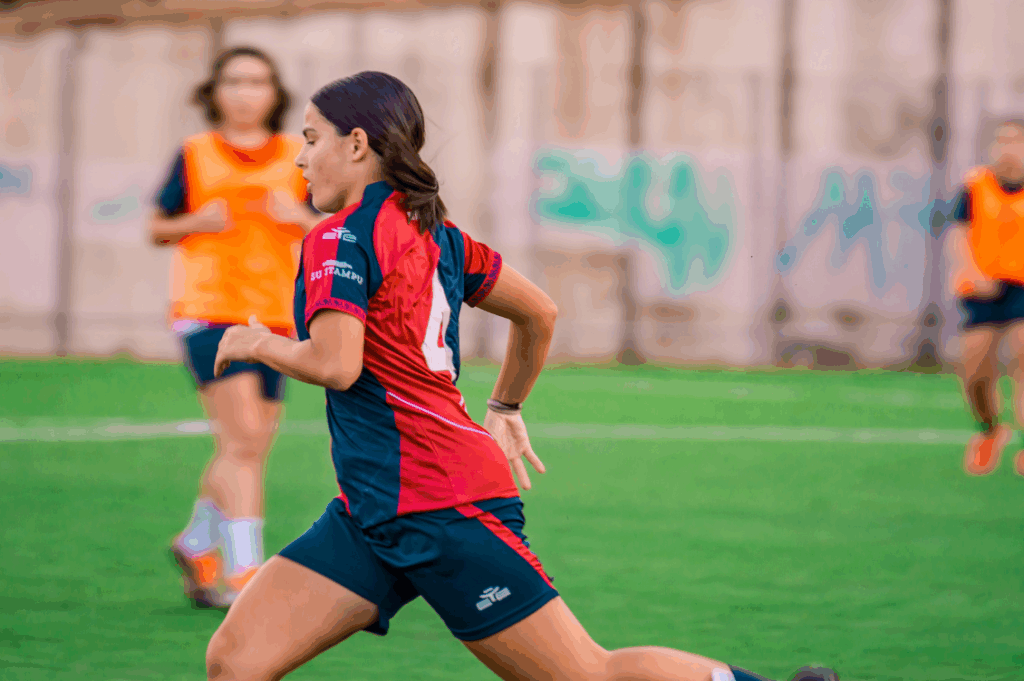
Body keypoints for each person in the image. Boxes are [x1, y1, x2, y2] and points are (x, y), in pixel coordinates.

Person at [207, 71, 838, 681]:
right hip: (376, 509)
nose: (300, 158)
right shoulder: (440, 235)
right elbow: (539, 312)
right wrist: (504, 408)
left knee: (587, 675)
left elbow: (335, 365)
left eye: (312, 138)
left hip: (440, 506)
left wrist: (259, 341)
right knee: (236, 662)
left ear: (356, 144)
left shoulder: (339, 238)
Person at [149, 46, 321, 608]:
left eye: (258, 82)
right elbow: (158, 226)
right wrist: (195, 222)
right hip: (209, 310)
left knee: (246, 445)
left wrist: (301, 218)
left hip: (277, 314)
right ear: (213, 91)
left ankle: (198, 541)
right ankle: (247, 572)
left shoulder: (300, 155)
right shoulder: (194, 154)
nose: (246, 92)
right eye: (234, 81)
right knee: (244, 440)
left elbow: (336, 223)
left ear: (275, 93)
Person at [948, 119, 1024, 476]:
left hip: (1021, 285)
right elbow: (959, 233)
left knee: (1022, 354)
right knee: (974, 369)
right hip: (983, 287)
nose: (1008, 148)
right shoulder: (975, 185)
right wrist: (971, 273)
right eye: (1003, 141)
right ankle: (990, 430)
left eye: (1016, 141)